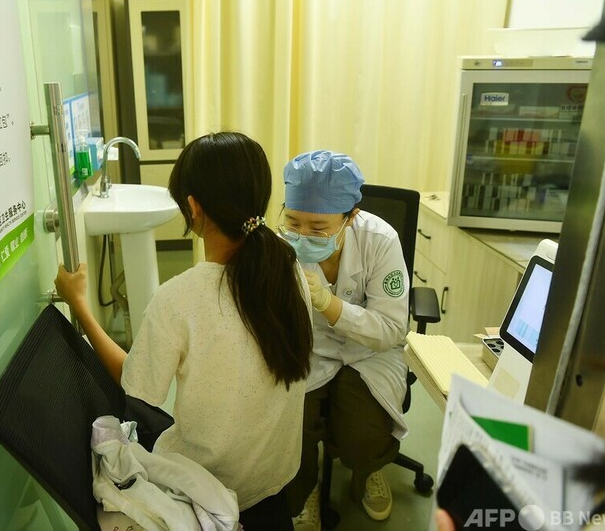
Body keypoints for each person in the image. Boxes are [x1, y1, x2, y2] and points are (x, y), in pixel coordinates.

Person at [55, 131, 314, 530]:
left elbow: (135, 384)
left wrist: (80, 306)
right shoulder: (288, 267)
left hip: (207, 489)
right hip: (273, 477)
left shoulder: (179, 298)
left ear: (193, 207)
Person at [280, 150, 410, 527]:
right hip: (307, 352)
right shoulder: (280, 244)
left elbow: (390, 329)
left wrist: (330, 305)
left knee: (363, 435)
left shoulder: (380, 241)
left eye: (319, 227)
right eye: (293, 221)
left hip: (369, 353)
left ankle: (368, 471)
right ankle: (306, 490)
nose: (302, 235)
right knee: (290, 430)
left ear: (350, 216)